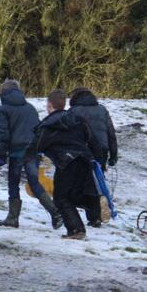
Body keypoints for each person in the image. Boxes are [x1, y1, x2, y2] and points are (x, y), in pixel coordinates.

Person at [31, 89, 101, 239]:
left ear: (49, 105)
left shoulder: (49, 124)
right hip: (84, 159)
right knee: (79, 193)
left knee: (60, 197)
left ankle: (76, 230)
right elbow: (91, 139)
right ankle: (95, 207)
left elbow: (37, 145)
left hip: (66, 162)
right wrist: (97, 159)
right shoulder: (78, 119)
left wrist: (25, 157)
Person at [0, 79, 62, 230]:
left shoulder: (3, 110)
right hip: (33, 151)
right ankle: (55, 212)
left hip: (17, 151)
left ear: (4, 92)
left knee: (13, 183)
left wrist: (1, 155)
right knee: (34, 183)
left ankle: (12, 218)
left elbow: (3, 135)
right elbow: (39, 129)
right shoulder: (30, 107)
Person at [67, 87, 118, 223]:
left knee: (81, 183)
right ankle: (98, 211)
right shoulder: (102, 109)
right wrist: (113, 155)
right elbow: (111, 133)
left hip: (81, 150)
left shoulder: (73, 111)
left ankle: (92, 214)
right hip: (101, 150)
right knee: (97, 181)